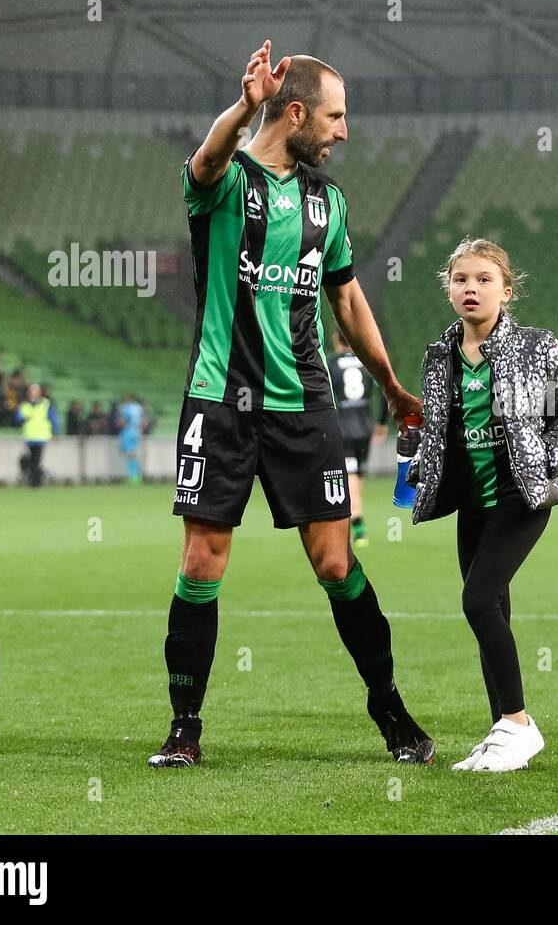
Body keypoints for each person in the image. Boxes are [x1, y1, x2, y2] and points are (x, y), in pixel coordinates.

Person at [150, 40, 432, 769]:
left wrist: (392, 383)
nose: (344, 132)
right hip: (220, 399)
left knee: (337, 562)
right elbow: (207, 160)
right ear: (297, 112)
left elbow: (346, 299)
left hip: (303, 403)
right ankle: (185, 726)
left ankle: (390, 708)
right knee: (203, 560)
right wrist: (245, 108)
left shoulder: (326, 203)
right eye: (336, 117)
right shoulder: (222, 184)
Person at [405, 238, 558, 772]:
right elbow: (440, 428)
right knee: (494, 607)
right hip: (472, 501)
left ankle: (517, 723)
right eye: (461, 279)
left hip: (521, 496)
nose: (472, 288)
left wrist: (539, 462)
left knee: (477, 601)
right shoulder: (439, 354)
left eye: (484, 279)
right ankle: (502, 733)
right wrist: (424, 463)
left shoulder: (537, 346)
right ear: (449, 290)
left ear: (507, 291)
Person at [327, 329, 390, 547]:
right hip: (364, 426)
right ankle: (356, 515)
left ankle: (358, 524)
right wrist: (382, 422)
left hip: (342, 427)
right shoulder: (366, 362)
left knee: (350, 475)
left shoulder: (330, 363)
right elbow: (384, 391)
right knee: (358, 474)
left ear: (336, 340)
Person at [15, 383, 58, 488]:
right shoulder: (25, 405)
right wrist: (24, 418)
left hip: (41, 436)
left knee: (35, 459)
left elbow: (53, 419)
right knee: (33, 460)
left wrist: (55, 432)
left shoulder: (45, 404)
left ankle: (35, 481)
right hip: (29, 437)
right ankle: (37, 479)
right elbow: (17, 419)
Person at [117, 392, 145, 483]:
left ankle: (134, 476)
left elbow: (122, 421)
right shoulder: (139, 408)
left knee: (130, 454)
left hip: (128, 432)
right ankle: (137, 475)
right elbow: (143, 422)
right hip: (136, 432)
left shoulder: (126, 408)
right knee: (133, 454)